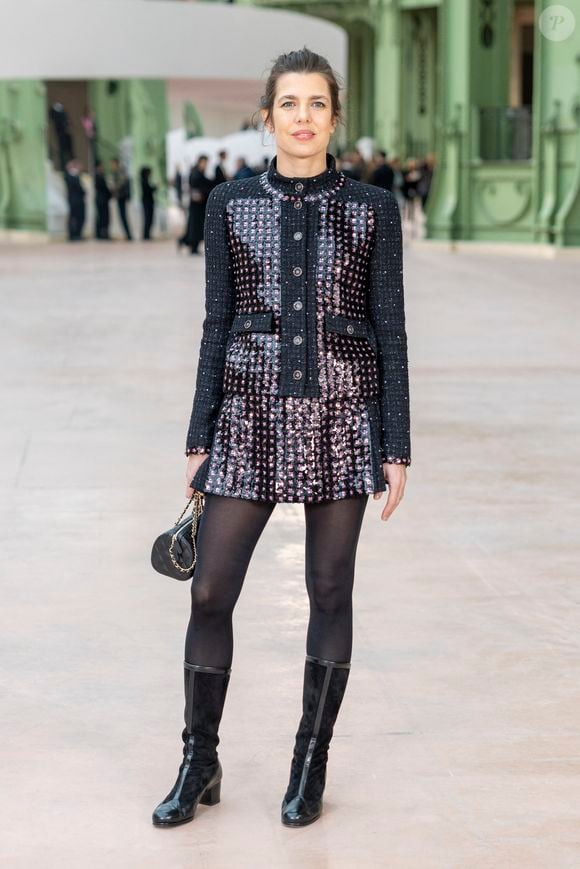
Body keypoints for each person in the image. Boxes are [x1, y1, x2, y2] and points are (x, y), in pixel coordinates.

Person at [152, 47, 411, 830]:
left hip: (341, 412)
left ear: (335, 117)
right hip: (249, 414)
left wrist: (395, 443)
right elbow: (216, 322)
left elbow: (391, 329)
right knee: (209, 588)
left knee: (330, 589)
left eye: (317, 104)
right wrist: (200, 431)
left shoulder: (372, 209)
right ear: (267, 116)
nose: (302, 117)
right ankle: (200, 759)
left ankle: (310, 762)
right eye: (288, 103)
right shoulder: (230, 203)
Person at [178, 155, 213, 254]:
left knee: (194, 226)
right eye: (204, 163)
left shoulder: (198, 172)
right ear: (200, 162)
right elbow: (196, 186)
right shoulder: (196, 173)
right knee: (195, 226)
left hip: (199, 204)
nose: (206, 165)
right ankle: (192, 246)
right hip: (196, 204)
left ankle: (185, 241)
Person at [110, 157, 133, 240]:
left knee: (123, 216)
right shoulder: (116, 172)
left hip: (122, 197)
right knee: (122, 216)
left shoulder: (120, 172)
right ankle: (128, 234)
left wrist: (114, 187)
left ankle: (129, 234)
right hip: (120, 197)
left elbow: (121, 183)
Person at [64, 159, 85, 241]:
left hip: (79, 201)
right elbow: (78, 188)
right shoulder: (69, 176)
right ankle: (72, 235)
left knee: (80, 218)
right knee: (73, 218)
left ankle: (78, 234)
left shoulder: (77, 176)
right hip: (74, 201)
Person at [94, 160, 111, 240]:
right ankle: (101, 234)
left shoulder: (101, 176)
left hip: (103, 200)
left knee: (104, 217)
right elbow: (104, 188)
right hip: (101, 200)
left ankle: (103, 233)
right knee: (102, 217)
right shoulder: (98, 177)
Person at [140, 166, 156, 240]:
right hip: (147, 202)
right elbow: (148, 190)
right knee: (147, 218)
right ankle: (146, 235)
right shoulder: (144, 181)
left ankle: (147, 234)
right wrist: (155, 187)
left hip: (148, 201)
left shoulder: (146, 180)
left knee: (149, 218)